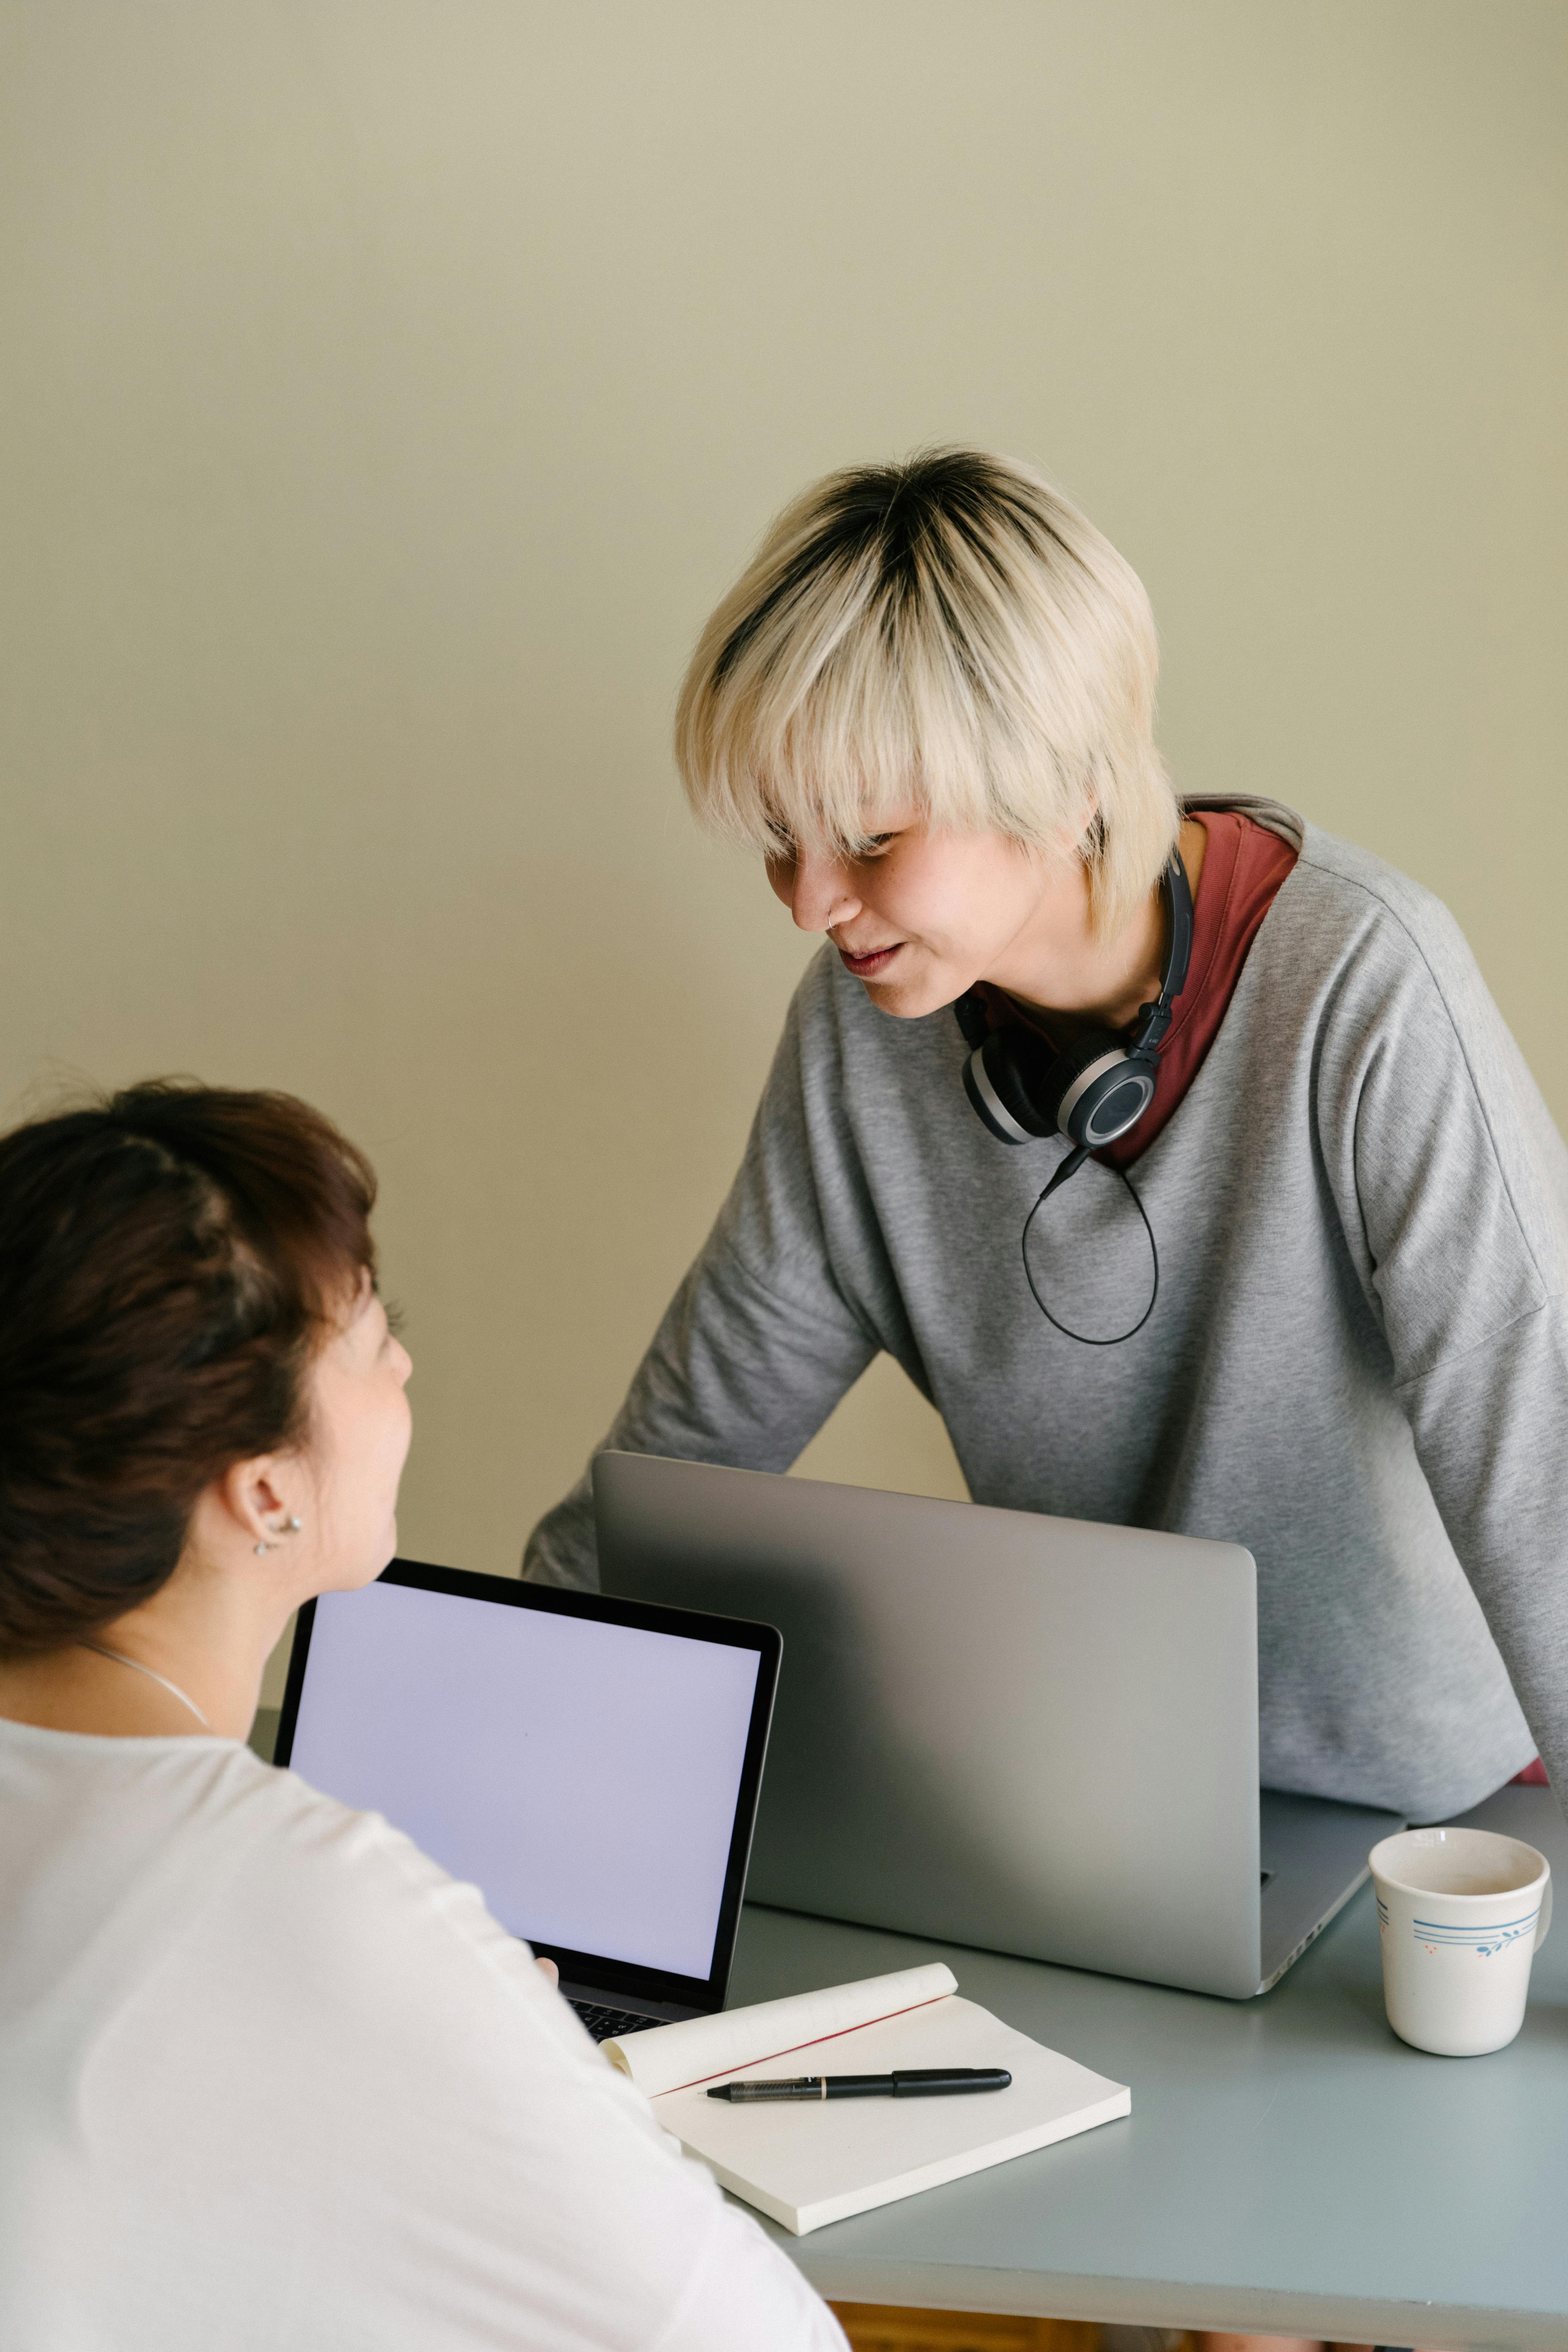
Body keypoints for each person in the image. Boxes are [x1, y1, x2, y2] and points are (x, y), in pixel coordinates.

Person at [525, 445, 1567, 1830]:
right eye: (781, 837)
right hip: (1099, 1814)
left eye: (871, 837)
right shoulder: (859, 1032)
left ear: (1068, 781)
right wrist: (489, 1719)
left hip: (1432, 1820)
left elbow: (1539, 1477)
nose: (808, 902)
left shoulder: (1364, 986)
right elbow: (678, 1466)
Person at [0, 1081, 845, 2351]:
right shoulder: (323, 1905)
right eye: (370, 1332)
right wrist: (513, 2051)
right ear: (267, 1493)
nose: (404, 1362)